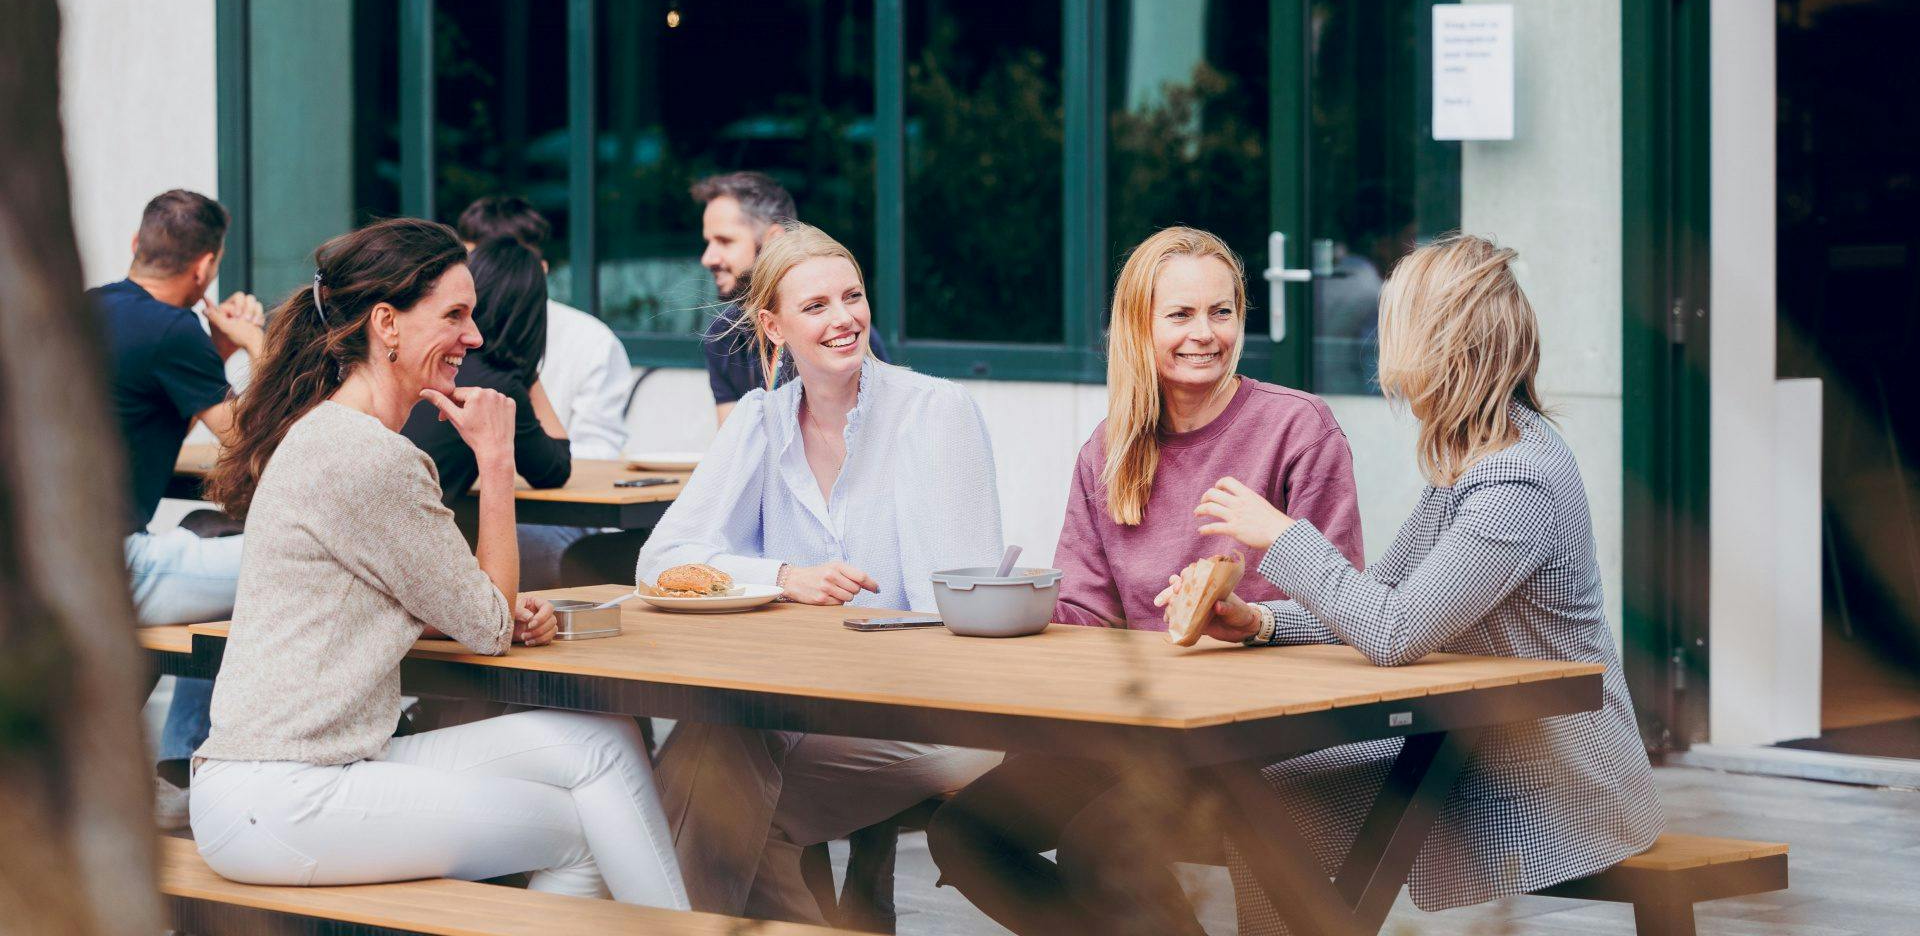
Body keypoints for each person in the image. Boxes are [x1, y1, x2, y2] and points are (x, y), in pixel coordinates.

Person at [1066, 234, 1665, 935]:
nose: (1385, 353)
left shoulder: (1516, 481)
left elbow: (1394, 630)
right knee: (1256, 801)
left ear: (1438, 345)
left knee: (1266, 805)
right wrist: (1258, 624)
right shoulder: (1476, 461)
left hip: (1548, 778)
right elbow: (1378, 594)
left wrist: (1278, 534)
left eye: (1396, 327)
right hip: (1471, 744)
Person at [191, 218, 686, 908]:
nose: (476, 337)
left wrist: (477, 607)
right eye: (455, 315)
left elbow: (372, 602)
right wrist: (495, 455)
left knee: (599, 743)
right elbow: (486, 627)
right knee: (582, 830)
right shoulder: (372, 456)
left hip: (293, 774)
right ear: (387, 324)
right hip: (287, 795)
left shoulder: (328, 432)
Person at [927, 225, 1365, 934]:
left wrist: (1242, 616)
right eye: (1181, 315)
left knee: (1100, 841)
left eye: (1222, 312)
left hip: (1251, 738)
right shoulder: (1108, 449)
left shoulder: (1298, 428)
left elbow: (1343, 605)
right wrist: (1012, 617)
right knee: (968, 833)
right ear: (1138, 327)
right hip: (1136, 731)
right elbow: (1086, 616)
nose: (1206, 334)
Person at [637, 223, 1003, 922]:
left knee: (715, 793)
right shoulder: (759, 420)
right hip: (800, 711)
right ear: (772, 326)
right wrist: (781, 576)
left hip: (932, 713)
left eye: (853, 297)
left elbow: (961, 604)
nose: (844, 320)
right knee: (715, 749)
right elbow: (662, 561)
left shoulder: (935, 413)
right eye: (816, 307)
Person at [89, 188, 266, 824]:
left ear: (136, 246)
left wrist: (209, 357)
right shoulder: (174, 333)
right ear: (206, 269)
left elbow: (141, 406)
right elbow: (265, 446)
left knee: (203, 528)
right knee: (292, 560)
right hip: (115, 568)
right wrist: (253, 342)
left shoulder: (84, 309)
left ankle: (167, 765)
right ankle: (189, 765)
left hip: (47, 559)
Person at [401, 238, 574, 584]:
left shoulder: (429, 367)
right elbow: (553, 468)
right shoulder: (495, 387)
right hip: (416, 558)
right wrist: (525, 370)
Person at [692, 171, 888, 425]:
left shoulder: (842, 334)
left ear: (773, 239)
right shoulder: (722, 336)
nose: (708, 258)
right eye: (709, 242)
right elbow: (733, 453)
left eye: (725, 241)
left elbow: (876, 440)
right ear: (771, 326)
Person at [456, 195, 631, 460]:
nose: (476, 278)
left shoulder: (593, 342)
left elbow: (600, 451)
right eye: (468, 265)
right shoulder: (443, 332)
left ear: (538, 270)